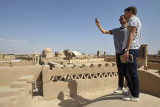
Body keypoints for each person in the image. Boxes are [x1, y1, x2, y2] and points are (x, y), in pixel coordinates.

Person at [95, 15, 129, 93]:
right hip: (118, 53)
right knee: (120, 71)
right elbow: (104, 32)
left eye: (121, 18)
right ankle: (120, 87)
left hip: (125, 53)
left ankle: (128, 86)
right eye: (119, 19)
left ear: (126, 19)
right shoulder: (116, 30)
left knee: (125, 71)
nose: (120, 20)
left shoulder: (129, 30)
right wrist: (98, 25)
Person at [121, 6, 142, 102]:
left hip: (131, 49)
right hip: (131, 49)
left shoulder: (133, 19)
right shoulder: (135, 20)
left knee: (133, 73)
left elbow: (131, 34)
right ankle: (132, 91)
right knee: (129, 72)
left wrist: (127, 50)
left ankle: (135, 95)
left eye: (125, 13)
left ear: (130, 11)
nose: (125, 15)